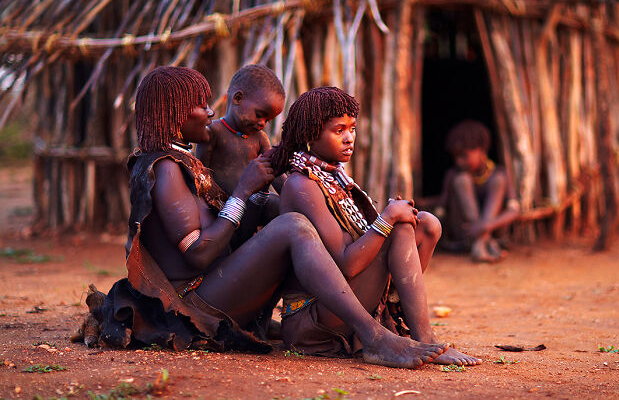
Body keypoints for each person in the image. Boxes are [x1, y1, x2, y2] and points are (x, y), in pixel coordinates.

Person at [73, 67, 447, 369]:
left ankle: (348, 324)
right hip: (194, 301)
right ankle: (373, 336)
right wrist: (242, 192)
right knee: (292, 225)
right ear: (174, 113)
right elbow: (199, 254)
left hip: (214, 284)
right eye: (199, 105)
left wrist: (275, 187)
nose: (208, 111)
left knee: (277, 209)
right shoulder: (165, 168)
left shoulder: (177, 159)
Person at [271, 86, 482, 366]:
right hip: (312, 320)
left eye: (352, 129)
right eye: (338, 131)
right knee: (399, 228)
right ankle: (424, 338)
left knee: (427, 224)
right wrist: (385, 220)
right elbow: (346, 265)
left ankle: (399, 325)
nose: (349, 138)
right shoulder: (302, 185)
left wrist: (390, 219)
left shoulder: (335, 178)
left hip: (339, 308)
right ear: (311, 135)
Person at [196, 64, 285, 247]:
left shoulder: (260, 138)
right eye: (260, 115)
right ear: (237, 98)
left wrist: (292, 191)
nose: (262, 123)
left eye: (268, 120)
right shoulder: (213, 132)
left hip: (253, 204)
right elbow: (201, 174)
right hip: (221, 207)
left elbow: (274, 171)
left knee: (279, 207)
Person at [436, 120, 520, 262]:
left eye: (463, 156)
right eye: (455, 157)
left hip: (495, 233)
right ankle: (484, 243)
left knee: (498, 180)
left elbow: (514, 210)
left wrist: (487, 225)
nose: (458, 161)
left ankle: (482, 241)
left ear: (482, 151)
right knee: (461, 180)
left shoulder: (500, 173)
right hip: (464, 236)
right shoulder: (453, 175)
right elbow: (441, 210)